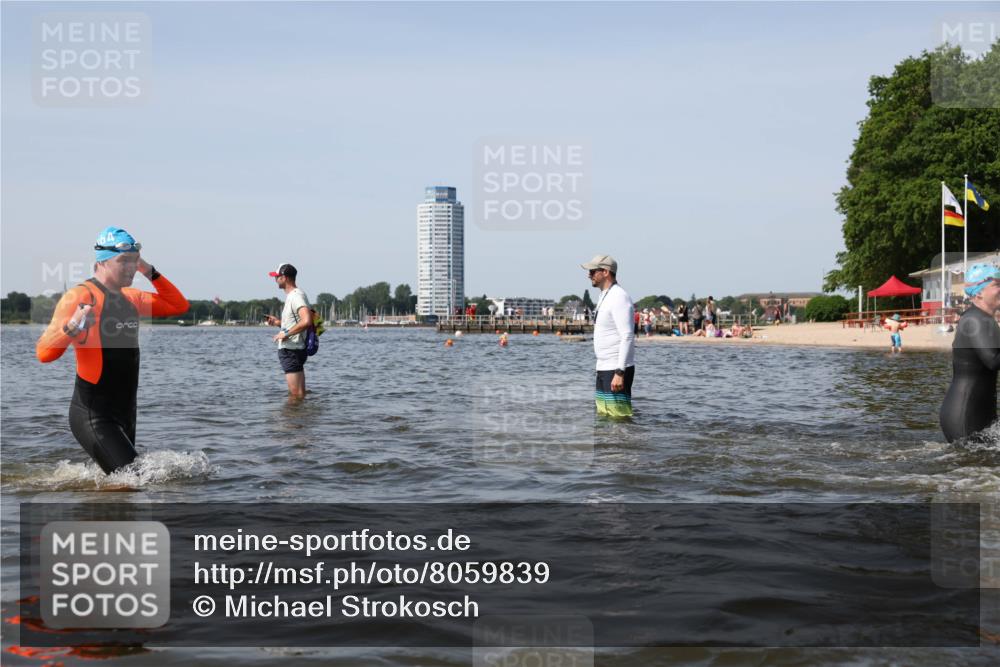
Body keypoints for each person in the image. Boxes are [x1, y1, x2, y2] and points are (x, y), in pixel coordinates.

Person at [35, 227, 189, 474]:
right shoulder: (79, 296)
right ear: (103, 262)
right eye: (123, 261)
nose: (130, 268)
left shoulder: (132, 298)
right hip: (93, 415)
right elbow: (44, 353)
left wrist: (149, 271)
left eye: (134, 261)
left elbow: (179, 305)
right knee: (135, 479)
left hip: (126, 413)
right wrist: (71, 328)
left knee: (122, 488)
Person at [940, 263, 1000, 443]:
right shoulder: (976, 320)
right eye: (997, 284)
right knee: (974, 468)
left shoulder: (982, 319)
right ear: (979, 292)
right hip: (966, 416)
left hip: (975, 412)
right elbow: (994, 360)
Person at [581, 254, 635, 417]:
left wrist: (620, 372)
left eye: (592, 271)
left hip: (615, 368)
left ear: (605, 272)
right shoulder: (604, 295)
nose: (588, 275)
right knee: (604, 416)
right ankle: (606, 444)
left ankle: (622, 443)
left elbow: (627, 336)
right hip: (603, 366)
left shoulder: (619, 297)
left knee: (618, 417)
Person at [264, 263, 312, 399]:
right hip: (295, 349)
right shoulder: (295, 295)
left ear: (284, 278)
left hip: (291, 351)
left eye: (277, 276)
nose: (275, 279)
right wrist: (278, 323)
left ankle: (292, 420)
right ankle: (300, 419)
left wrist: (285, 334)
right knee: (300, 394)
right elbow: (296, 323)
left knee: (295, 395)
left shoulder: (296, 296)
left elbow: (306, 320)